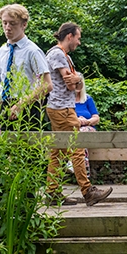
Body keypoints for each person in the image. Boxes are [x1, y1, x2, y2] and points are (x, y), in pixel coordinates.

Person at [42, 22, 112, 206]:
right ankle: (88, 192)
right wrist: (77, 79)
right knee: (78, 148)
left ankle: (52, 192)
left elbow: (76, 82)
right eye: (78, 38)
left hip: (60, 108)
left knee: (58, 152)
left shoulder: (63, 55)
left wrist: (77, 79)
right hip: (62, 109)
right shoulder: (57, 54)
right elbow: (71, 85)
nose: (79, 42)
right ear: (69, 36)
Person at [0, 4, 51, 129]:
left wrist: (21, 105)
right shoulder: (3, 50)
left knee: (26, 146)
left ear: (24, 24)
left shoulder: (32, 51)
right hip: (5, 104)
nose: (7, 28)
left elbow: (47, 85)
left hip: (27, 107)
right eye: (4, 23)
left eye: (13, 23)